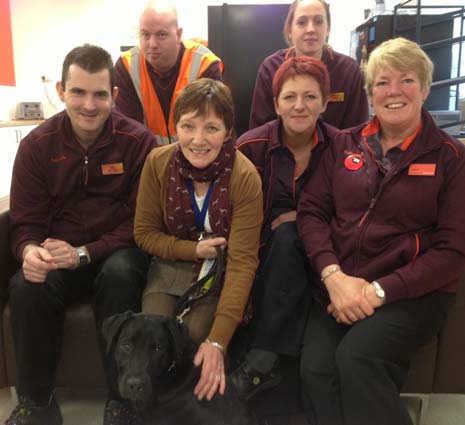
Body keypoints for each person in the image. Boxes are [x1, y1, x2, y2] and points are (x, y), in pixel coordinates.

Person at [297, 37, 465, 425]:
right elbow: (311, 212)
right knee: (315, 371)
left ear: (424, 89)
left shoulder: (451, 158)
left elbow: (452, 251)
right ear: (370, 92)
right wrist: (333, 275)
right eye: (382, 82)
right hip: (338, 283)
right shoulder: (343, 145)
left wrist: (378, 291)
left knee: (357, 358)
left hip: (411, 293)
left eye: (406, 80)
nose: (394, 91)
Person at [6, 44, 157, 425]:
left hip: (117, 252)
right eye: (78, 92)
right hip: (57, 254)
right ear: (61, 91)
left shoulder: (140, 143)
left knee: (121, 273)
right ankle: (37, 405)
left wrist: (86, 252)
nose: (89, 105)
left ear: (114, 96)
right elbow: (24, 220)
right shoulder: (36, 146)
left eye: (99, 94)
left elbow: (141, 222)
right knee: (26, 286)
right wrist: (27, 251)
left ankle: (121, 402)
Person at [134, 78, 263, 402]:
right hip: (169, 267)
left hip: (217, 277)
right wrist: (192, 249)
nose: (198, 140)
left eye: (211, 128)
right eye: (188, 126)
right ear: (175, 126)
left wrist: (218, 341)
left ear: (229, 130)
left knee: (192, 343)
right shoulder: (158, 163)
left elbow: (243, 261)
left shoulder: (245, 176)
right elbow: (144, 233)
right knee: (154, 343)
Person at [231, 56, 338, 400]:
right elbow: (231, 212)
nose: (299, 106)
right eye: (290, 97)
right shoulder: (249, 147)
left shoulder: (343, 148)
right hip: (263, 255)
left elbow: (353, 213)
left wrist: (300, 217)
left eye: (310, 96)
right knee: (286, 238)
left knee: (293, 232)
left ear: (324, 102)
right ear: (276, 103)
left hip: (325, 256)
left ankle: (262, 360)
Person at [114, 0, 224, 145]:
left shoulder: (205, 64)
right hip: (146, 159)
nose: (152, 44)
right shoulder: (126, 66)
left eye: (161, 35)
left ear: (178, 35)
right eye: (145, 35)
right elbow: (129, 133)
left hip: (195, 156)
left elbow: (210, 128)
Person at [249, 0, 368, 130]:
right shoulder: (271, 68)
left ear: (328, 29)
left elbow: (358, 132)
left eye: (318, 21)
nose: (311, 29)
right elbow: (260, 131)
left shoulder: (348, 70)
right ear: (289, 30)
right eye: (301, 22)